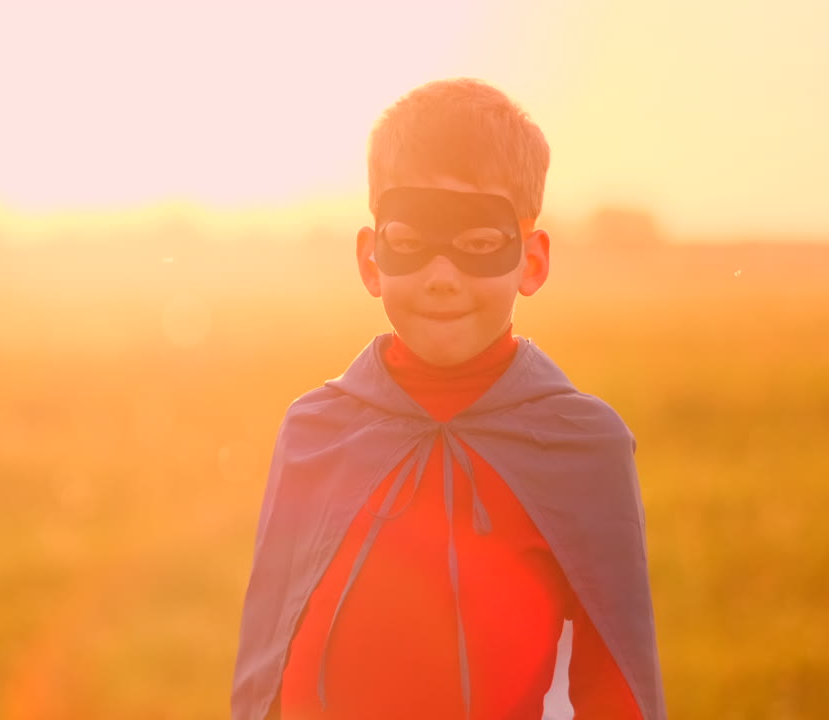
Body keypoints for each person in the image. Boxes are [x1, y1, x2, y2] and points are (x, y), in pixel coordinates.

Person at [230, 78, 665, 720]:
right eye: (410, 240)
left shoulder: (583, 444)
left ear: (533, 260)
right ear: (370, 258)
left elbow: (618, 684)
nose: (441, 277)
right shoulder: (315, 430)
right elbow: (266, 670)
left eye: (480, 244)